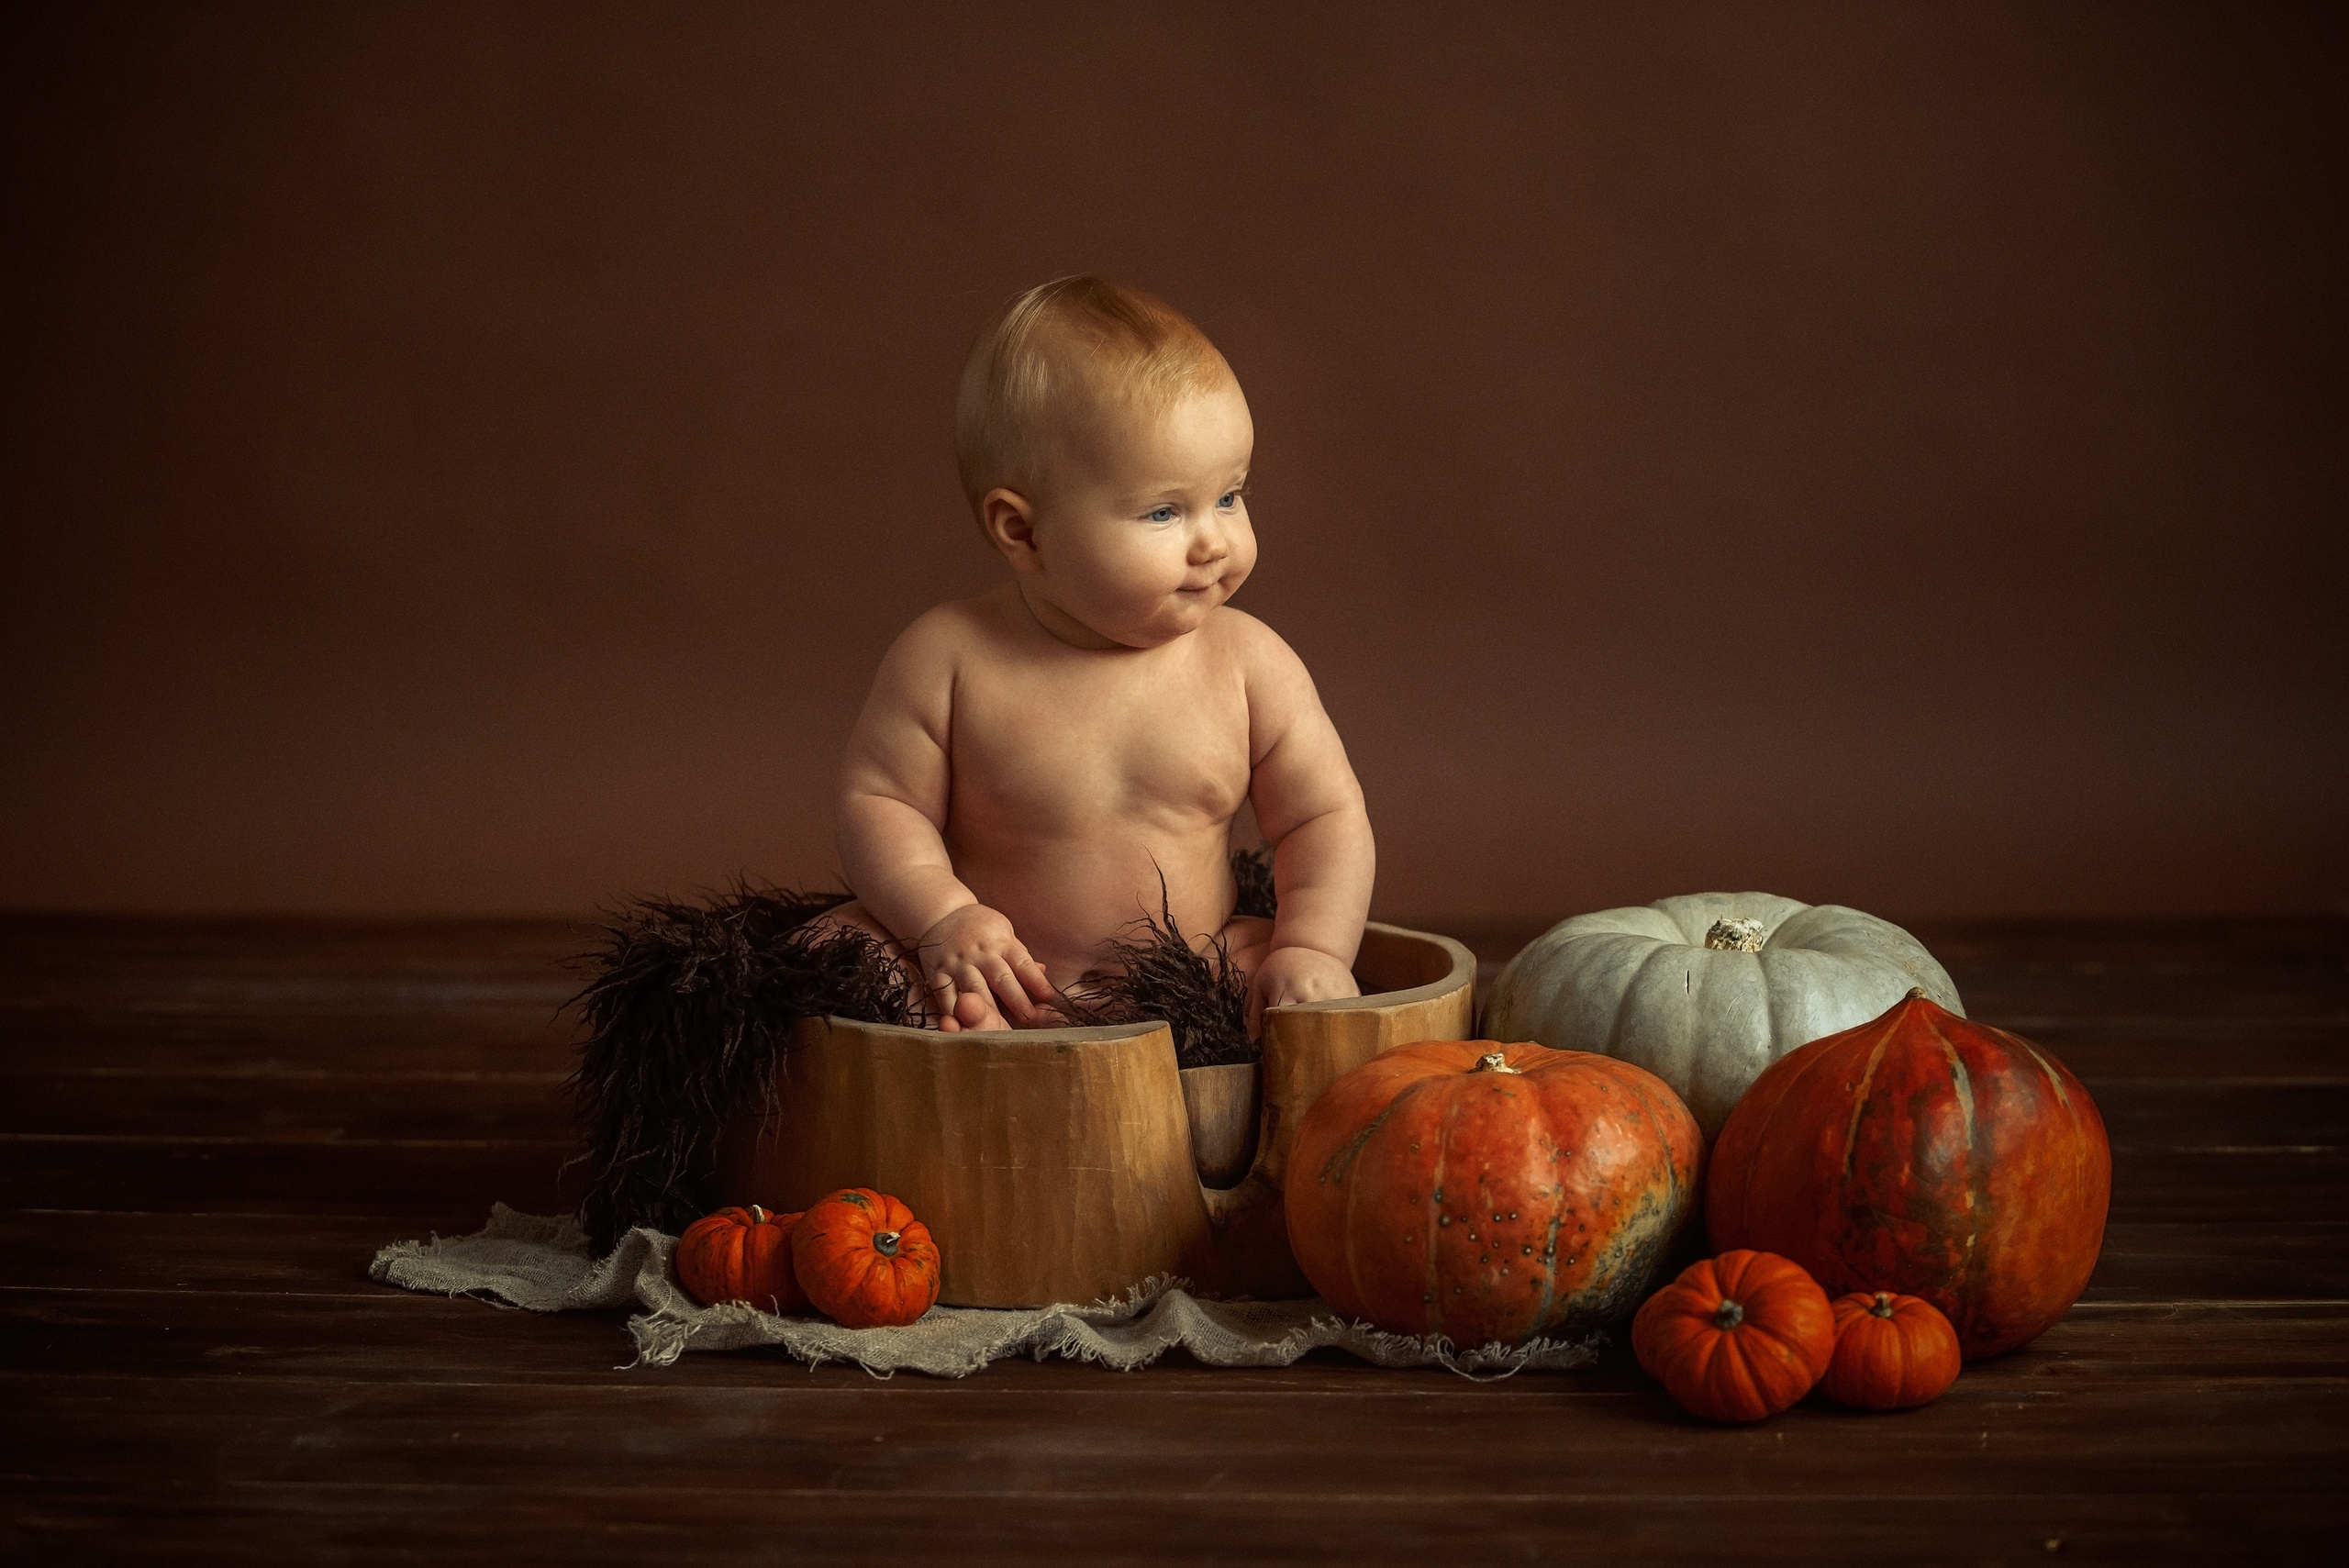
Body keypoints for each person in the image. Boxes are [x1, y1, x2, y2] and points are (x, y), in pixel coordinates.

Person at [811, 274, 1375, 1039]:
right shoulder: (949, 659)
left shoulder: (1250, 664)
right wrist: (944, 914)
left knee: (1264, 957)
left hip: (1185, 974)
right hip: (1002, 965)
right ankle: (978, 1023)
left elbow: (1323, 817)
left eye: (1231, 497)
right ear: (1024, 532)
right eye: (1164, 510)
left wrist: (1311, 946)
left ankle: (1194, 1020)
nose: (1213, 540)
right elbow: (880, 804)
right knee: (837, 946)